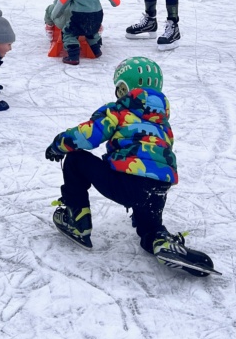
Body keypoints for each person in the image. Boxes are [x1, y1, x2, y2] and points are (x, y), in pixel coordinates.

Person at [44, 56, 216, 276]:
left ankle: (77, 221)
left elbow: (88, 135)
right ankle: (159, 241)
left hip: (127, 184)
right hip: (158, 189)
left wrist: (58, 145)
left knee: (76, 159)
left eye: (119, 88)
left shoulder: (119, 110)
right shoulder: (162, 122)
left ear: (125, 89)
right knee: (149, 225)